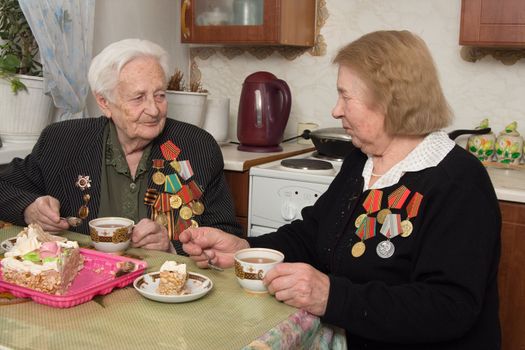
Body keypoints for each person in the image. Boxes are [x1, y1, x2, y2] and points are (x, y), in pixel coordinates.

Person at [180, 30, 501, 349]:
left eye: (346, 96)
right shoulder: (361, 161)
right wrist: (245, 248)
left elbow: (449, 307)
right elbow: (310, 236)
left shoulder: (459, 182)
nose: (336, 110)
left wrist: (331, 296)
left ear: (391, 100)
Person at [0, 38, 243, 253]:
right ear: (104, 102)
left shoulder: (197, 146)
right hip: (84, 287)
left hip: (166, 290)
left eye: (160, 95)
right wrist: (28, 209)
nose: (154, 109)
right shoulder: (63, 141)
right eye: (139, 98)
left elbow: (227, 234)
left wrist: (171, 246)